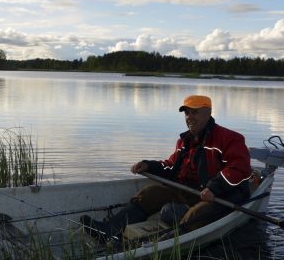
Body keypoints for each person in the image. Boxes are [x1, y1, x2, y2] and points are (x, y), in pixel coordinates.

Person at [81, 95, 252, 242]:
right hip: (189, 192)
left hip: (220, 197)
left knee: (197, 214)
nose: (190, 117)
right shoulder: (184, 142)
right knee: (150, 193)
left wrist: (214, 188)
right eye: (187, 113)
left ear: (208, 113)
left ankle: (166, 242)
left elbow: (239, 169)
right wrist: (149, 165)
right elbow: (171, 166)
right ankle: (108, 230)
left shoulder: (230, 139)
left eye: (195, 112)